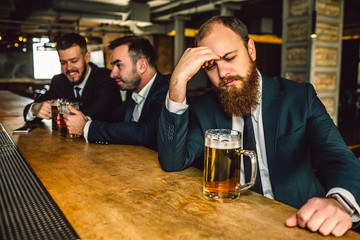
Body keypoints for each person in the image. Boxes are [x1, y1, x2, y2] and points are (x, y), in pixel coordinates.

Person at [157, 16, 360, 237]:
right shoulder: (204, 108)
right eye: (211, 66)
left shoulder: (300, 97)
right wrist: (177, 82)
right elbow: (172, 162)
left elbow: (340, 159)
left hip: (300, 221)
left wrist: (339, 203)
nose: (222, 73)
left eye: (230, 57)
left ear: (251, 50)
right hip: (234, 225)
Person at [62, 36, 170, 150]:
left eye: (119, 65)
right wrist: (85, 120)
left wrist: (86, 127)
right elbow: (112, 118)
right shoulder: (133, 90)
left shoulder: (167, 91)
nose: (112, 74)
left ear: (142, 66)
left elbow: (143, 133)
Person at [23, 33, 122, 122]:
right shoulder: (59, 81)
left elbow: (90, 115)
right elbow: (31, 110)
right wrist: (35, 108)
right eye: (63, 63)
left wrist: (58, 112)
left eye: (74, 61)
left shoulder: (107, 78)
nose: (69, 68)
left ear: (87, 57)